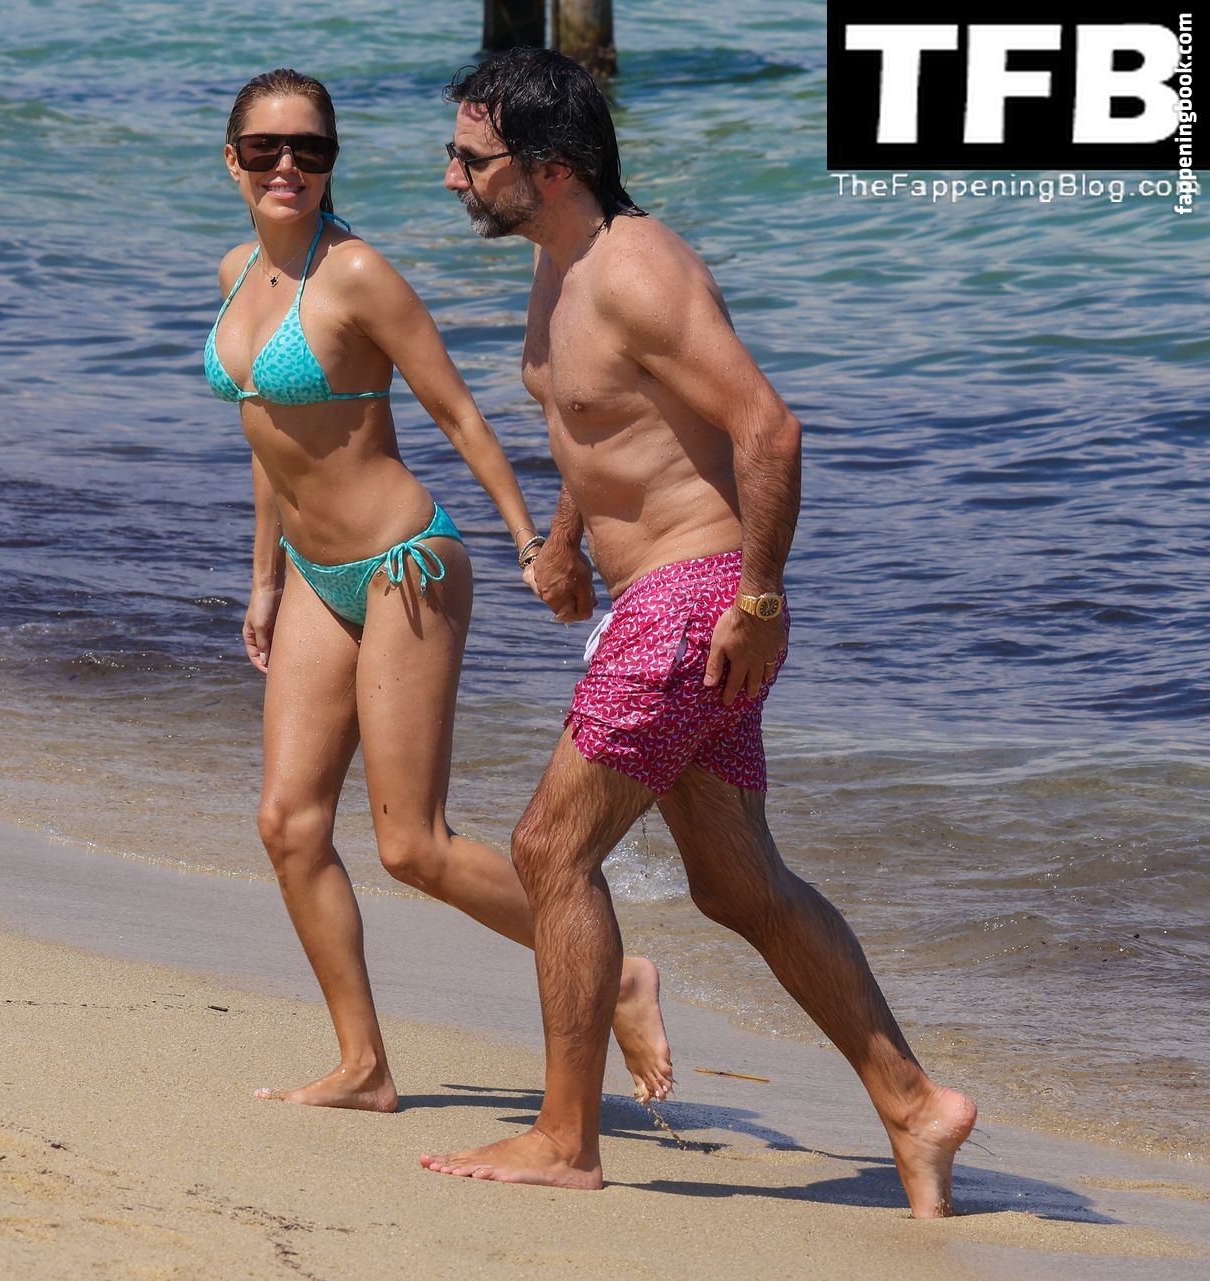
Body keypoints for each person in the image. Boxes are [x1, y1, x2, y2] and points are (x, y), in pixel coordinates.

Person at [415, 49, 977, 1217]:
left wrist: (759, 599)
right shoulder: (560, 262)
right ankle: (915, 1105)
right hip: (663, 603)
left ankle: (566, 1137)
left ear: (549, 167)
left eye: (472, 159)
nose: (453, 177)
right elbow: (607, 425)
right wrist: (566, 540)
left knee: (549, 850)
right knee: (738, 884)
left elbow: (768, 427)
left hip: (694, 605)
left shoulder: (637, 271)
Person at [209, 68, 673, 1113]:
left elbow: (459, 413)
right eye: (266, 149)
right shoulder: (237, 272)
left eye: (310, 150)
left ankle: (618, 976)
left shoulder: (358, 273)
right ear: (232, 159)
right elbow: (267, 435)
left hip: (402, 567)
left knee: (412, 844)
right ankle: (364, 1066)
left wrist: (530, 542)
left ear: (331, 163)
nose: (287, 167)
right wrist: (264, 579)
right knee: (288, 823)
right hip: (314, 574)